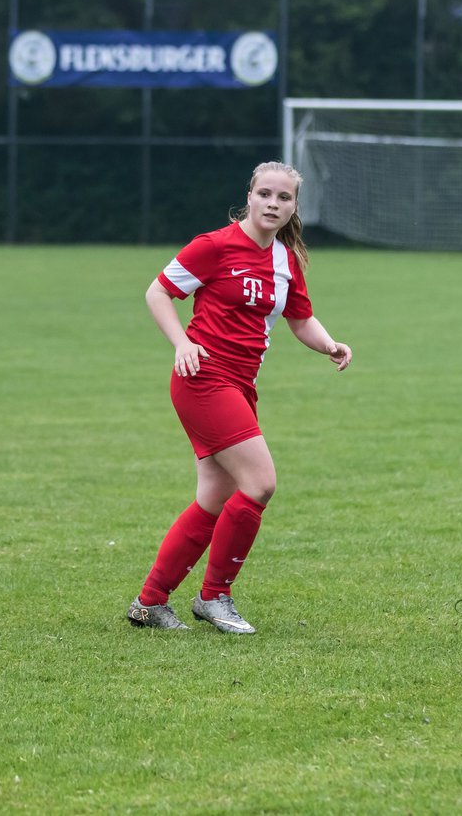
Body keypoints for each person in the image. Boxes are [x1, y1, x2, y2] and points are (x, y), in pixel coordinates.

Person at [127, 161, 352, 634]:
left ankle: (149, 603)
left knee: (213, 498)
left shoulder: (286, 261)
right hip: (204, 378)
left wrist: (330, 344)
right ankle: (215, 597)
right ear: (248, 196)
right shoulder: (213, 246)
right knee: (260, 482)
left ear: (294, 207)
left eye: (284, 198)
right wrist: (183, 344)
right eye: (265, 194)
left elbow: (300, 320)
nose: (273, 203)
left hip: (241, 386)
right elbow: (157, 292)